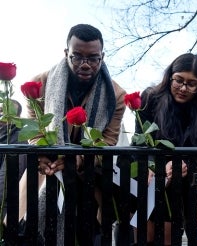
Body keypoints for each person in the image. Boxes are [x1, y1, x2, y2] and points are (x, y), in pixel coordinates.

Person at [19, 24, 126, 245]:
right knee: (33, 233)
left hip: (90, 178)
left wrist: (78, 159)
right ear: (66, 53)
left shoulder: (117, 95)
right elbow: (35, 128)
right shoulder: (40, 84)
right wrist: (43, 154)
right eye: (77, 57)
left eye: (93, 58)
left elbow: (108, 141)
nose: (85, 64)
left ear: (102, 57)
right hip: (47, 172)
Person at [128, 53, 197, 245]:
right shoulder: (150, 98)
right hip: (147, 179)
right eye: (178, 80)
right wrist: (152, 167)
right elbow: (139, 141)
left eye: (191, 83)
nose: (183, 88)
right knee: (145, 236)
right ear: (170, 76)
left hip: (179, 185)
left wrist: (181, 164)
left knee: (168, 237)